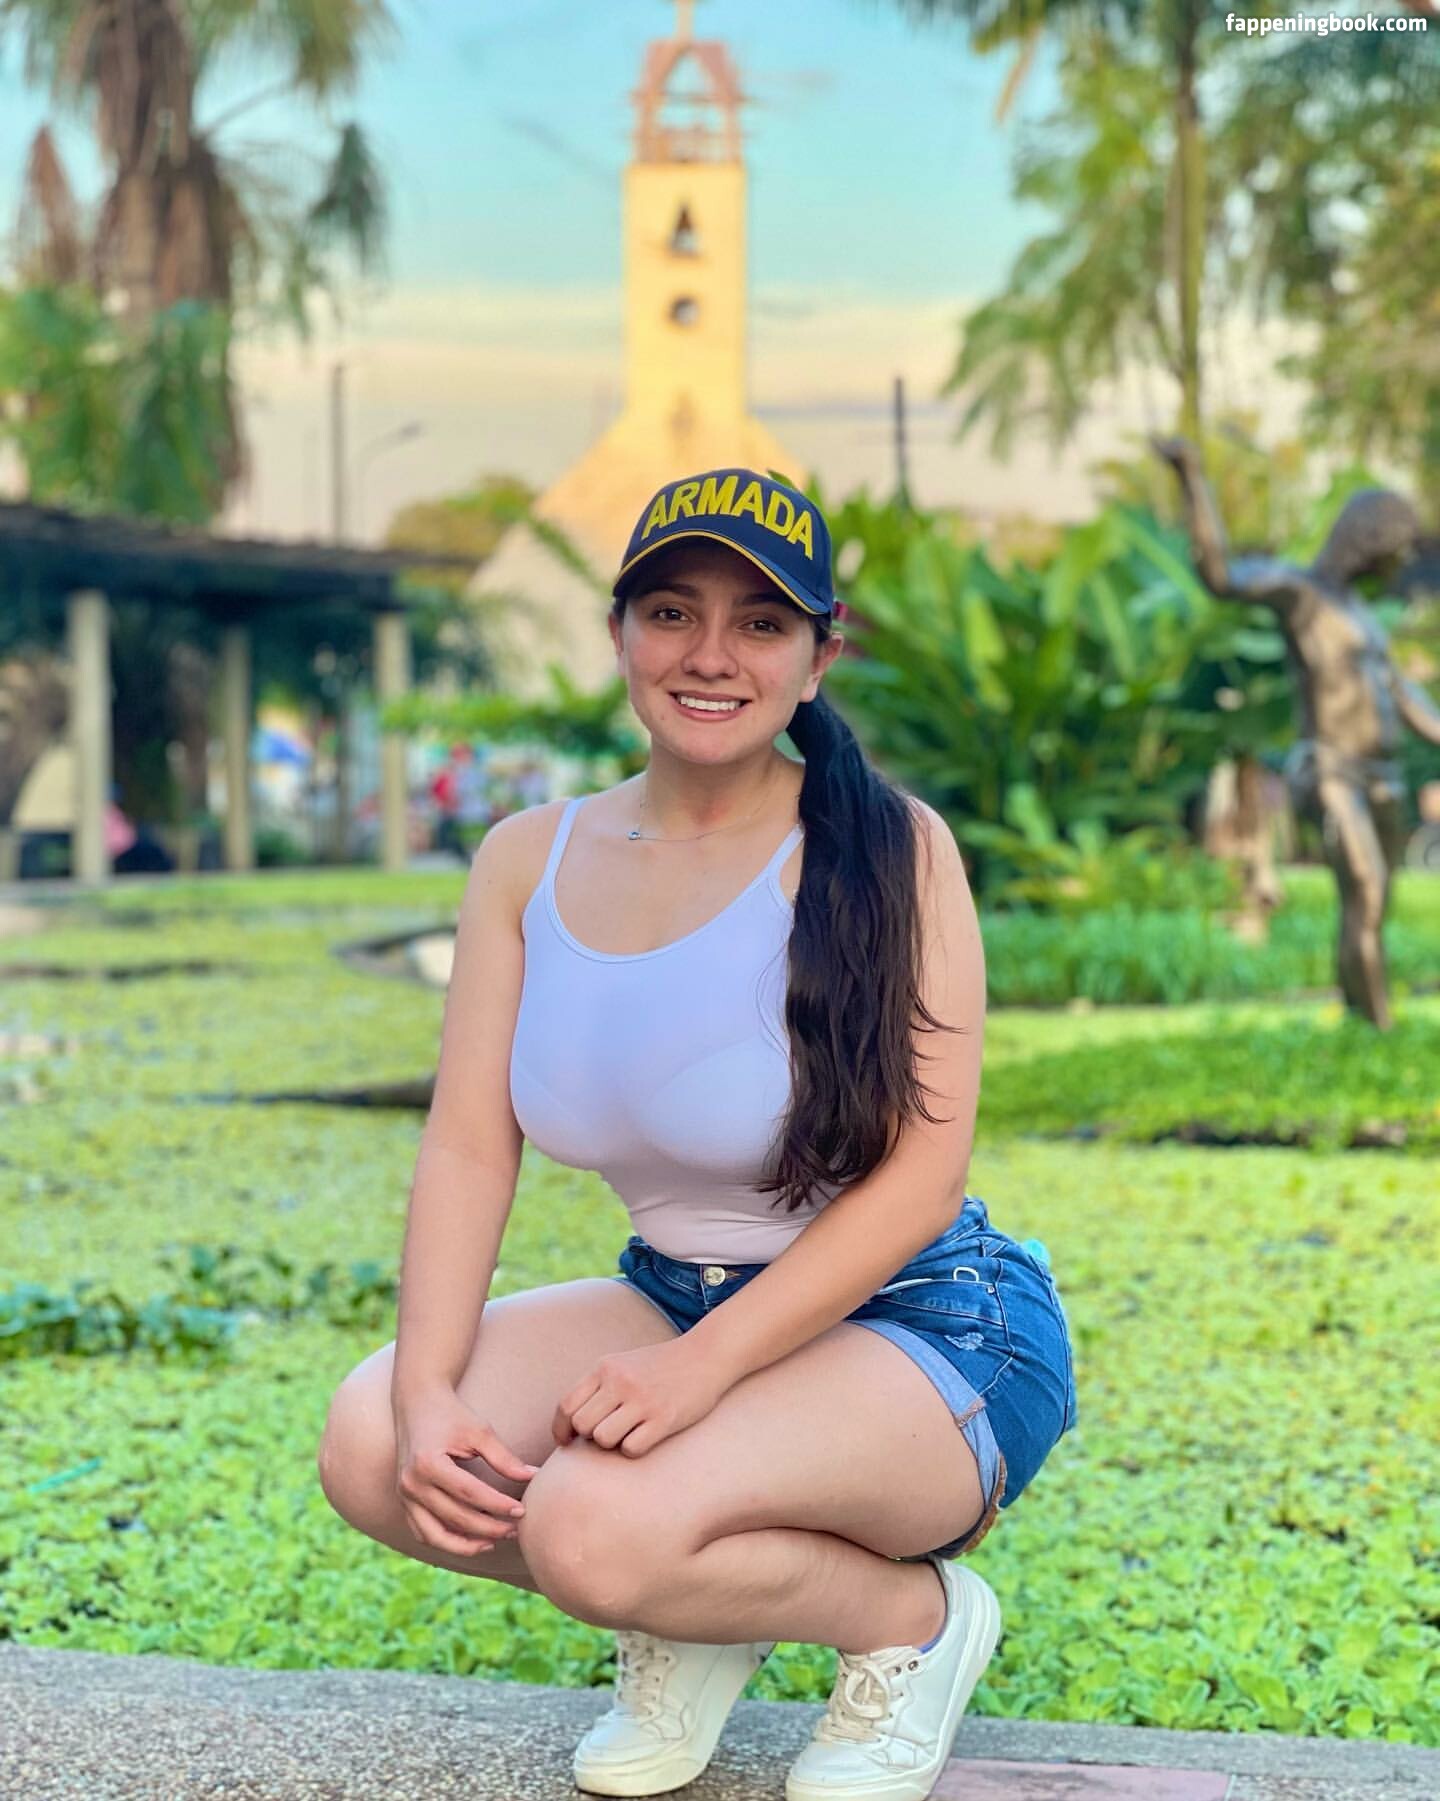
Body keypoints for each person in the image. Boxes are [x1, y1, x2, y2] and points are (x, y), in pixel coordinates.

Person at [317, 468, 1078, 1801]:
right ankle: (695, 1605)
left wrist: (697, 1374)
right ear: (618, 633)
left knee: (588, 1524)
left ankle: (910, 1621)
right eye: (672, 611)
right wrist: (431, 1389)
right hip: (673, 1289)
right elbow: (468, 1147)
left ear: (819, 656)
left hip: (927, 1319)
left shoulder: (893, 849)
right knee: (374, 1446)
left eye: (760, 623)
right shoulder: (527, 859)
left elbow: (922, 1177)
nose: (711, 655)